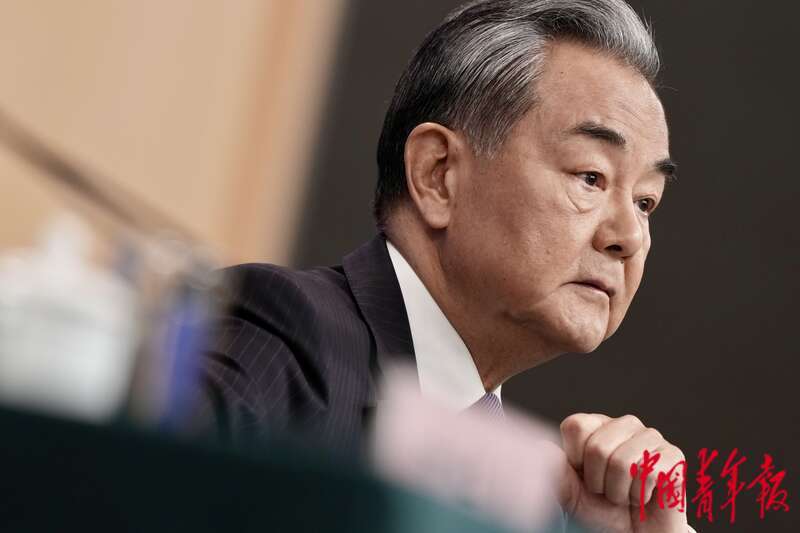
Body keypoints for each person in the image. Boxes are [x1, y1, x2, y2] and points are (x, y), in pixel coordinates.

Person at [192, 1, 692, 531]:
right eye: (591, 177)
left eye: (646, 201)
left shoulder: (543, 500)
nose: (628, 237)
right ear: (438, 174)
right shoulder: (283, 336)